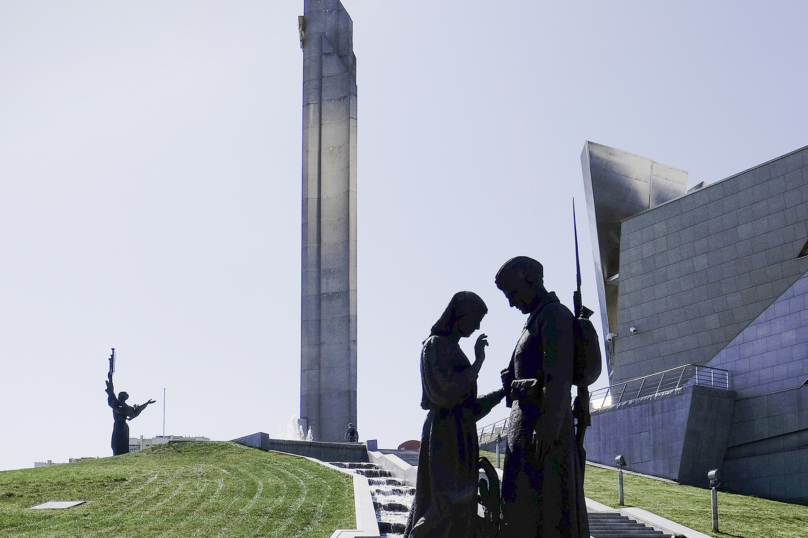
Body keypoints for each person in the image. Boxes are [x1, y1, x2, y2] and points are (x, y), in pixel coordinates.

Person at [495, 257, 588, 538]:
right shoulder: (536, 319)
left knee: (544, 512)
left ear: (531, 280)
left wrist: (548, 425)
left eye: (513, 293)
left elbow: (557, 375)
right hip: (527, 431)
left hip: (542, 437)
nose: (512, 303)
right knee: (521, 510)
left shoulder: (554, 315)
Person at [404, 291, 506, 538]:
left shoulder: (453, 349)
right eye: (475, 319)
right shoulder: (435, 345)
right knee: (443, 506)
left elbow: (467, 409)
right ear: (460, 315)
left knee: (461, 508)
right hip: (444, 435)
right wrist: (478, 364)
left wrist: (503, 392)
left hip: (461, 435)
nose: (478, 326)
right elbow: (445, 393)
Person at [105, 372, 155, 455]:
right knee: (116, 443)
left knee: (122, 443)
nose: (118, 396)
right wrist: (110, 378)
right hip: (119, 425)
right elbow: (111, 393)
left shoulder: (123, 406)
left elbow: (135, 412)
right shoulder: (119, 404)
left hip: (122, 426)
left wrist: (146, 403)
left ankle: (121, 455)